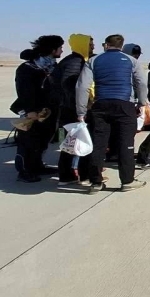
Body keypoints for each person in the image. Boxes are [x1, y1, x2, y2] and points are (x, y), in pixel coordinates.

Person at [76, 34, 149, 193]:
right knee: (125, 144)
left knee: (98, 144)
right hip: (124, 105)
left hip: (101, 105)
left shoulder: (94, 61)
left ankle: (95, 182)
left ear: (106, 45)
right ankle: (127, 181)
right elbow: (141, 83)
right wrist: (142, 103)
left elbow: (82, 87)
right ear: (121, 46)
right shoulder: (132, 61)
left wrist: (81, 111)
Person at [12, 36, 64, 182]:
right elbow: (23, 91)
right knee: (28, 142)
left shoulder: (53, 67)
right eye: (60, 47)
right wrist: (30, 110)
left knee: (42, 141)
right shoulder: (28, 68)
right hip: (33, 112)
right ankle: (24, 170)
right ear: (52, 50)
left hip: (48, 112)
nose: (62, 50)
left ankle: (37, 165)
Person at [52, 33, 95, 185]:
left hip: (67, 110)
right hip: (73, 111)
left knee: (68, 144)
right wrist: (83, 105)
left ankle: (66, 176)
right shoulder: (74, 63)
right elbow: (70, 86)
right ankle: (84, 176)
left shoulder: (76, 61)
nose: (93, 46)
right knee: (80, 142)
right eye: (90, 44)